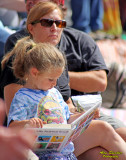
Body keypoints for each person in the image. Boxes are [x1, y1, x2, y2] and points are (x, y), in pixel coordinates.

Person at [1, 0, 126, 159]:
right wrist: (29, 123)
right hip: (37, 144)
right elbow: (13, 121)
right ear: (31, 27)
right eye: (48, 23)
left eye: (60, 23)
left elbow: (66, 108)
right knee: (104, 138)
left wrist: (84, 116)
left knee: (102, 153)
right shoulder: (22, 57)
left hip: (62, 138)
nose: (54, 28)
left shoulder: (57, 62)